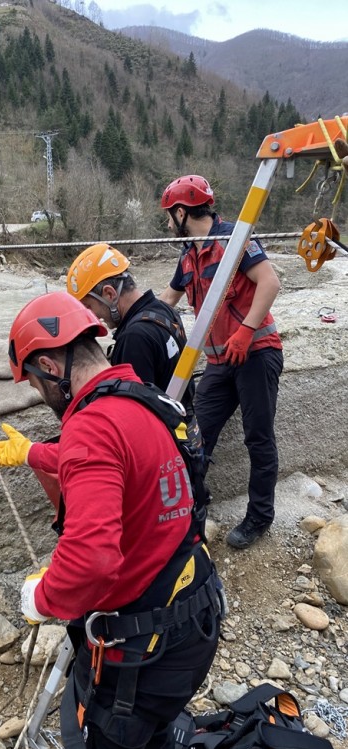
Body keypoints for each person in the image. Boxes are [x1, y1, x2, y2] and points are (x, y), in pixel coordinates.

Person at [0, 292, 221, 749]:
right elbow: (113, 458)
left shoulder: (90, 425)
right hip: (196, 617)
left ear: (50, 365)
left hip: (143, 651)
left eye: (38, 383)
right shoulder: (145, 398)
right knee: (155, 728)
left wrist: (41, 598)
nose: (41, 394)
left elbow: (90, 561)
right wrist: (32, 453)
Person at [158, 174, 283, 550]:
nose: (166, 224)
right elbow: (168, 300)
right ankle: (191, 511)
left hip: (256, 354)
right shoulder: (189, 254)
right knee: (195, 437)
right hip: (218, 363)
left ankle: (260, 517)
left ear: (182, 212)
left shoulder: (234, 239)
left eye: (168, 216)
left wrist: (246, 330)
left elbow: (270, 282)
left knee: (258, 438)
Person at [65, 242, 196, 424]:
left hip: (164, 439)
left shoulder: (135, 338)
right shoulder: (163, 311)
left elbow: (133, 416)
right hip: (184, 427)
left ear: (109, 294)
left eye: (89, 307)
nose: (93, 316)